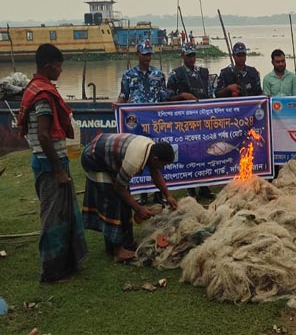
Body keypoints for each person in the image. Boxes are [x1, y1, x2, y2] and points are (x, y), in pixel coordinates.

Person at [17, 44, 88, 283]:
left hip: (53, 161)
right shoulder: (44, 95)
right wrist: (58, 170)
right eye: (59, 66)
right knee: (52, 218)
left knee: (65, 214)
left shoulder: (37, 88)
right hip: (49, 165)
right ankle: (52, 271)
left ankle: (68, 263)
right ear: (48, 66)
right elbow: (44, 135)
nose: (60, 70)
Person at [81, 134, 177, 263]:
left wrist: (168, 196)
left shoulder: (151, 149)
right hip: (93, 158)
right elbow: (119, 188)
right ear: (155, 159)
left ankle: (127, 242)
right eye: (162, 164)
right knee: (113, 202)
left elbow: (155, 172)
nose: (162, 168)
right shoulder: (134, 160)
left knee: (125, 202)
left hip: (106, 155)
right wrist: (138, 208)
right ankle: (117, 250)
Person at [117, 39, 174, 206]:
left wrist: (182, 98)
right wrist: (117, 104)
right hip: (136, 123)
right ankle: (141, 192)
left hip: (155, 121)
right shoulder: (128, 75)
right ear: (137, 54)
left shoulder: (158, 75)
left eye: (149, 54)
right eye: (144, 54)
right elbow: (124, 95)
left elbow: (164, 97)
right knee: (139, 156)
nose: (147, 57)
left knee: (156, 158)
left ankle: (158, 193)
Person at [167, 42, 215, 200]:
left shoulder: (203, 73)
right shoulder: (176, 74)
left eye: (193, 55)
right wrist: (182, 96)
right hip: (184, 121)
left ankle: (204, 187)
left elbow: (210, 94)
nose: (192, 58)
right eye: (188, 55)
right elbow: (167, 98)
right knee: (188, 153)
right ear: (183, 56)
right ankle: (189, 188)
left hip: (203, 119)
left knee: (205, 152)